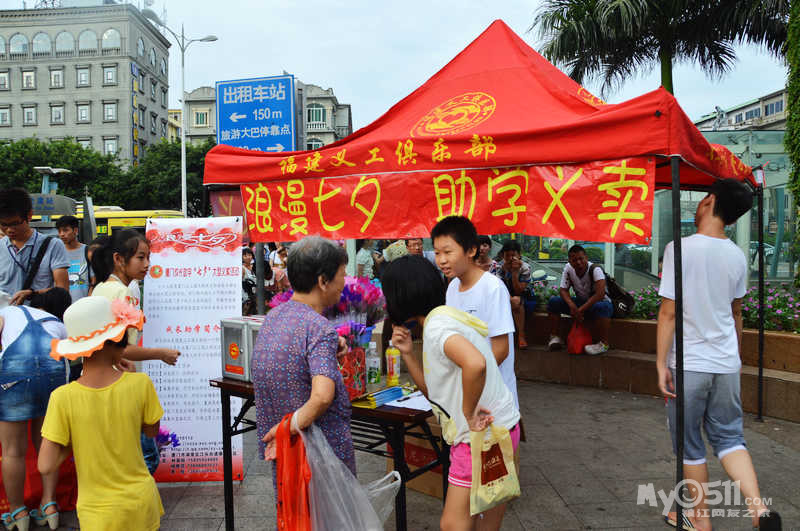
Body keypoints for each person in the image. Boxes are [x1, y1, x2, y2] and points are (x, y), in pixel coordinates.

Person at [657, 179, 781, 531]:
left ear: (710, 201)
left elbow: (668, 313)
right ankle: (758, 510)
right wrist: (734, 357)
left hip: (690, 364)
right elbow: (736, 312)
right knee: (730, 438)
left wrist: (659, 364)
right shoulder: (737, 256)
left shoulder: (678, 248)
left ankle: (702, 521)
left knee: (690, 444)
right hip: (726, 364)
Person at [382, 255, 520, 531]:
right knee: (487, 519)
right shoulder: (446, 316)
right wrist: (408, 354)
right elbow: (436, 391)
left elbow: (475, 363)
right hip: (504, 426)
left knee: (453, 524)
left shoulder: (437, 327)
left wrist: (468, 412)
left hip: (479, 438)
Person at [40, 296, 164, 531]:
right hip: (140, 502)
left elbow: (45, 465)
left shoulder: (62, 397)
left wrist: (74, 439)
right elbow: (151, 430)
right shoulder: (140, 383)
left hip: (97, 512)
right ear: (116, 339)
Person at [254, 236, 354, 495]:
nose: (344, 282)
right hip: (321, 459)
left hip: (287, 456)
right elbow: (322, 397)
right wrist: (286, 427)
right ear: (323, 281)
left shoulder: (273, 317)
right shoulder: (318, 327)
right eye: (342, 274)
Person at [90, 229, 179, 474]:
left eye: (148, 257)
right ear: (119, 259)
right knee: (146, 459)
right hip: (120, 386)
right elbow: (124, 349)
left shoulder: (101, 289)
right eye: (141, 257)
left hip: (100, 382)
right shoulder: (123, 292)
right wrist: (161, 353)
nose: (147, 264)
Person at [0, 290, 71, 531]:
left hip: (14, 373)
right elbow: (67, 360)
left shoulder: (6, 312)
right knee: (46, 442)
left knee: (13, 451)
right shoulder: (57, 322)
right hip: (53, 373)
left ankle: (17, 513)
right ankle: (49, 505)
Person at [433, 217, 519, 411]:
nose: (442, 260)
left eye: (448, 252)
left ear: (471, 250)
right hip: (467, 392)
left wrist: (470, 379)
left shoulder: (492, 288)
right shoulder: (453, 287)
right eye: (437, 253)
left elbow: (501, 350)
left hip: (495, 396)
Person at [0, 188, 69, 306]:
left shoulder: (53, 245)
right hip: (5, 320)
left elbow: (62, 291)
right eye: (4, 224)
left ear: (29, 215)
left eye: (15, 223)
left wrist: (33, 293)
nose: (10, 230)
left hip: (37, 318)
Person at [546, 245, 612, 355]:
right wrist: (572, 306)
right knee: (554, 302)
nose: (578, 262)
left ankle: (604, 344)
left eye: (581, 259)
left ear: (586, 257)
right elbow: (563, 290)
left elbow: (600, 294)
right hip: (581, 304)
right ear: (570, 261)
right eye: (574, 260)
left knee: (603, 307)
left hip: (597, 303)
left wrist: (580, 310)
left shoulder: (596, 269)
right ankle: (555, 337)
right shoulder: (568, 268)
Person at [493, 240, 531, 349]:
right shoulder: (499, 267)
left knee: (516, 301)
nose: (510, 259)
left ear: (519, 255)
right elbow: (498, 286)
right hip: (503, 294)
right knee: (513, 301)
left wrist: (514, 272)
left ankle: (521, 335)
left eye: (513, 255)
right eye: (507, 255)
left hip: (523, 295)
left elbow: (519, 291)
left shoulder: (525, 268)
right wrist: (509, 298)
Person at [55, 215, 90, 303]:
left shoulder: (87, 251)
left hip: (83, 307)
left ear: (75, 230)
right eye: (59, 231)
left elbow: (94, 281)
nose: (62, 234)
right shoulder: (56, 253)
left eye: (65, 230)